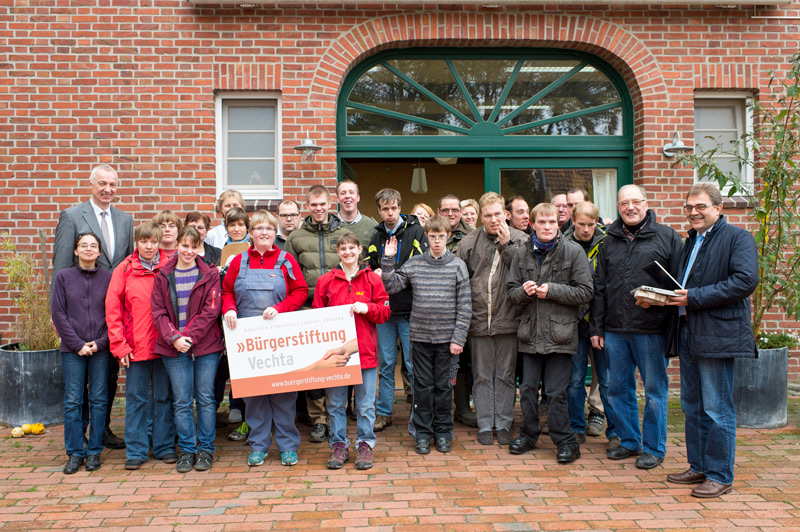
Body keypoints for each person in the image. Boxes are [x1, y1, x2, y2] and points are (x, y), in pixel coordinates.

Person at [664, 183, 758, 498]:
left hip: (718, 333)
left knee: (717, 407)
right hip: (689, 330)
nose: (693, 212)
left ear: (718, 208)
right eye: (689, 207)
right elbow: (686, 285)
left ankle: (720, 474)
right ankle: (700, 466)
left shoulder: (738, 238)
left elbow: (745, 281)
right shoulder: (690, 241)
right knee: (693, 405)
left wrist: (694, 297)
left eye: (700, 206)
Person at [590, 184, 683, 470]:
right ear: (617, 208)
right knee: (618, 389)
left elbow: (680, 286)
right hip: (615, 330)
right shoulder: (609, 242)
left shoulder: (667, 237)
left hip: (652, 329)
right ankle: (630, 441)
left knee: (655, 392)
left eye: (635, 202)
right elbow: (599, 288)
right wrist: (596, 328)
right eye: (623, 203)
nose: (630, 207)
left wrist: (658, 302)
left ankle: (654, 448)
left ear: (646, 203)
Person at [52, 163, 134, 451]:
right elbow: (60, 265)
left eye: (112, 184)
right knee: (79, 383)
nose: (107, 189)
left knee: (107, 376)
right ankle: (80, 432)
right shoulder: (73, 216)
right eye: (102, 184)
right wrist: (55, 315)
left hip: (110, 318)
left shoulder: (125, 220)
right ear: (91, 185)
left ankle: (103, 428)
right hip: (77, 314)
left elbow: (127, 267)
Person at [507, 203, 593, 464]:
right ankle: (528, 435)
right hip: (529, 333)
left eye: (552, 223)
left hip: (561, 334)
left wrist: (552, 290)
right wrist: (524, 291)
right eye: (541, 222)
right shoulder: (521, 254)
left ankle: (565, 441)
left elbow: (586, 292)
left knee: (557, 392)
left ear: (559, 224)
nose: (547, 227)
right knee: (529, 389)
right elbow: (511, 292)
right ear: (532, 224)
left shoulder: (573, 251)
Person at [222, 210, 309, 467]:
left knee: (284, 394)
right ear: (250, 233)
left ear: (275, 233)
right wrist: (229, 309)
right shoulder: (239, 261)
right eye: (258, 228)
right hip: (247, 336)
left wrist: (280, 309)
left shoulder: (286, 260)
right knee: (254, 395)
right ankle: (258, 446)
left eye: (269, 229)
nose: (263, 233)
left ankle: (287, 447)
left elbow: (300, 291)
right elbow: (227, 290)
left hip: (279, 334)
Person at [381, 215, 472, 455]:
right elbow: (390, 286)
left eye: (441, 236)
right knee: (422, 388)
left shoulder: (457, 266)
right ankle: (422, 434)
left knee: (443, 389)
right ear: (427, 238)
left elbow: (465, 306)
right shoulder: (415, 264)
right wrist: (389, 259)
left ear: (448, 237)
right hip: (419, 339)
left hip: (447, 342)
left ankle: (443, 433)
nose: (437, 241)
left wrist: (458, 338)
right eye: (432, 237)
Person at [313, 233, 391, 470]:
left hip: (364, 353)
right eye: (342, 248)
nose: (347, 252)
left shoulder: (372, 280)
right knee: (335, 404)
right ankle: (339, 445)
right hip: (337, 355)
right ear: (338, 252)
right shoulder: (325, 281)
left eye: (351, 248)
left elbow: (385, 312)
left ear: (360, 250)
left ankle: (365, 445)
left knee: (365, 405)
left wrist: (366, 308)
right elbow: (317, 315)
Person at [456, 192, 528, 446]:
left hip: (509, 319)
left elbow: (524, 272)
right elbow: (460, 281)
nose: (493, 219)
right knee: (483, 375)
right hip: (478, 320)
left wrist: (506, 245)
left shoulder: (521, 240)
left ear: (506, 215)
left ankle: (505, 423)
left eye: (498, 214)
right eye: (488, 215)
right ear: (481, 218)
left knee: (506, 375)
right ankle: (486, 423)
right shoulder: (468, 241)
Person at [151, 226, 224, 473]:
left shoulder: (210, 274)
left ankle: (205, 450)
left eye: (194, 246)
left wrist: (188, 337)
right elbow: (158, 311)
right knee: (182, 401)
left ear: (199, 247)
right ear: (177, 245)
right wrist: (173, 338)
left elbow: (211, 310)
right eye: (184, 245)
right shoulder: (163, 275)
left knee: (205, 398)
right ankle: (187, 449)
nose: (189, 251)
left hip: (205, 347)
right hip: (173, 348)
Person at [105, 222, 176, 470]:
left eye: (153, 241)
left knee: (164, 397)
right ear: (137, 243)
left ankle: (165, 446)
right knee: (135, 399)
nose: (149, 246)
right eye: (144, 241)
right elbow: (112, 310)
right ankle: (136, 449)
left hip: (166, 345)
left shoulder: (170, 266)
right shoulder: (124, 270)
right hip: (135, 346)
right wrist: (119, 346)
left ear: (159, 243)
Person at [285, 185, 353, 443]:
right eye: (313, 204)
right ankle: (319, 420)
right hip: (307, 309)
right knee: (314, 367)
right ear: (308, 206)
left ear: (330, 203)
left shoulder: (344, 234)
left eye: (322, 203)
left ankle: (337, 415)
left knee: (338, 363)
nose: (318, 208)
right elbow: (288, 276)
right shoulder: (296, 237)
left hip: (338, 310)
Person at [367, 188, 427, 433]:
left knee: (414, 365)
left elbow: (419, 267)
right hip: (384, 312)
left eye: (394, 208)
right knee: (386, 365)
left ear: (400, 207)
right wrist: (376, 274)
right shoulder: (376, 235)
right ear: (379, 210)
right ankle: (384, 413)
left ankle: (418, 413)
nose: (390, 213)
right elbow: (369, 268)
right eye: (385, 209)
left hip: (410, 311)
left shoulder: (416, 231)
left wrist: (390, 272)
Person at [52, 233, 113, 474]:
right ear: (75, 251)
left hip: (100, 349)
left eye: (93, 246)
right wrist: (77, 344)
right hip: (72, 350)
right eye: (83, 245)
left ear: (99, 252)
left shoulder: (108, 278)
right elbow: (59, 314)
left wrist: (100, 343)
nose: (89, 249)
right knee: (73, 401)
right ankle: (75, 452)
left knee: (99, 399)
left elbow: (115, 315)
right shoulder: (63, 277)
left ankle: (95, 450)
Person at [563, 201, 616, 447]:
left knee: (606, 379)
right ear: (573, 221)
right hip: (572, 323)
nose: (586, 230)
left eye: (591, 224)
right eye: (581, 224)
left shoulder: (607, 243)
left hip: (600, 321)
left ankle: (615, 430)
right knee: (574, 380)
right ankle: (576, 426)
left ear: (598, 222)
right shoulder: (562, 243)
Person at [438, 194, 477, 427]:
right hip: (436, 307)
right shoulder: (429, 232)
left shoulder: (473, 236)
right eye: (446, 210)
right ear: (439, 211)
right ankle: (439, 410)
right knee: (438, 360)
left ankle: (462, 409)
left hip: (463, 304)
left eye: (455, 209)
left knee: (464, 359)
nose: (451, 214)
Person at [336, 179, 377, 255]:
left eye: (351, 192)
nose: (347, 196)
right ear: (337, 199)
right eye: (343, 193)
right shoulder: (329, 226)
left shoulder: (372, 226)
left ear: (358, 197)